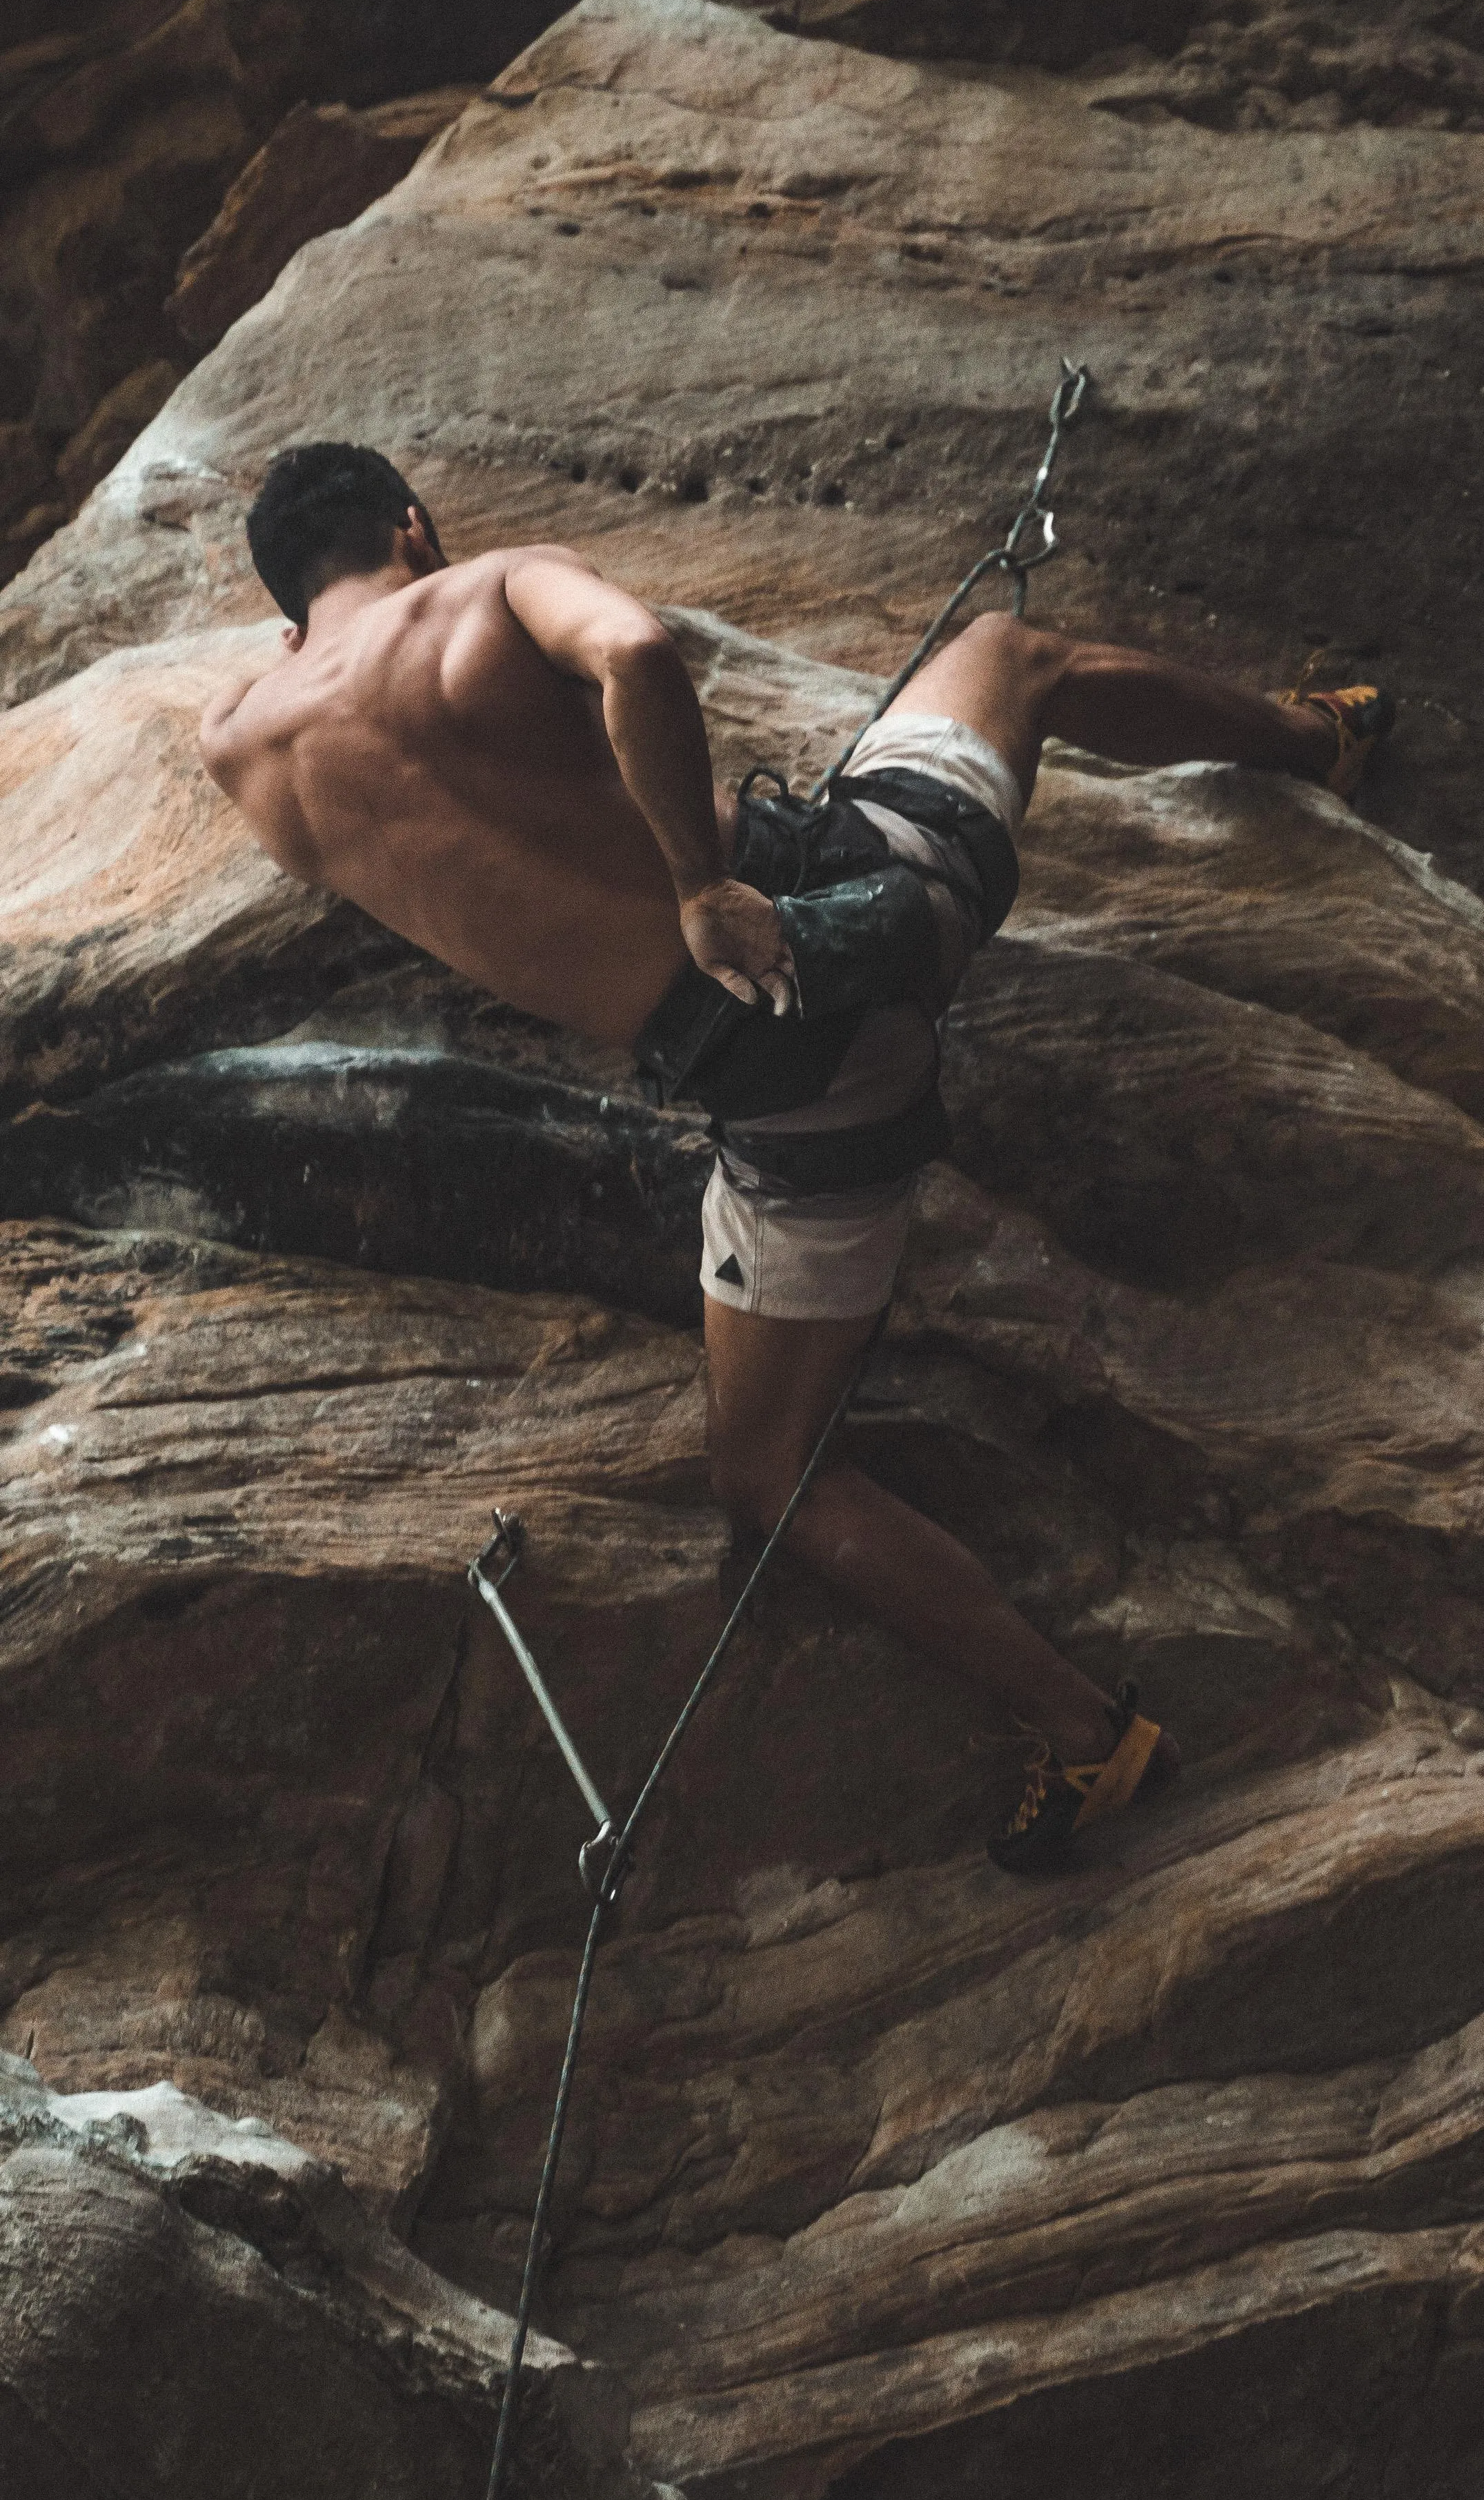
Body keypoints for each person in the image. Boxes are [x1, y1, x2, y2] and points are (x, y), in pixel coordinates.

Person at [201, 442, 1394, 1870]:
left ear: (285, 611)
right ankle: (1316, 740)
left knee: (765, 1471)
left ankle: (1089, 1735)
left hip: (794, 1099)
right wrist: (700, 882)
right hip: (887, 896)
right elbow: (635, 649)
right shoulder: (488, 590)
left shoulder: (244, 745)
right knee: (1013, 654)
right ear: (411, 522)